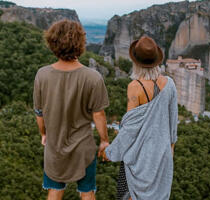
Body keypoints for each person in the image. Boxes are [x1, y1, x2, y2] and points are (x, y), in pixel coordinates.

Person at [33, 20, 110, 200]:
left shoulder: (42, 75)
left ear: (53, 42)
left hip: (54, 146)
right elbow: (98, 114)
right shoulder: (93, 77)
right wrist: (104, 140)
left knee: (54, 190)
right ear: (80, 43)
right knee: (87, 191)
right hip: (84, 146)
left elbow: (39, 112)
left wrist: (44, 134)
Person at [105, 36, 179, 200]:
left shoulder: (134, 87)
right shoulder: (170, 84)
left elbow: (129, 130)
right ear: (157, 60)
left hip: (140, 157)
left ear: (136, 61)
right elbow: (173, 123)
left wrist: (110, 152)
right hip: (163, 156)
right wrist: (170, 148)